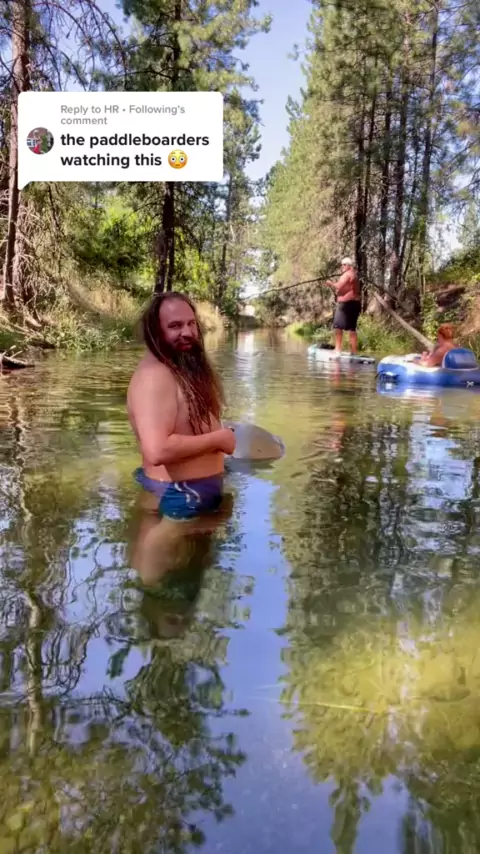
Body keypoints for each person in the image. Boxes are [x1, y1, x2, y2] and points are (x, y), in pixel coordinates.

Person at [127, 291, 236, 520]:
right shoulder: (154, 376)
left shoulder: (176, 366)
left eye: (191, 323)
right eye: (175, 326)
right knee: (159, 544)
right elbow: (157, 450)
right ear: (156, 331)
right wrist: (219, 439)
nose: (187, 332)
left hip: (187, 492)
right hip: (180, 495)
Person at [325, 257, 361, 354]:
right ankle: (353, 351)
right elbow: (347, 289)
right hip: (355, 304)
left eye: (344, 264)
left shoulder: (347, 274)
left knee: (338, 326)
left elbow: (339, 286)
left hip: (345, 305)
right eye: (342, 265)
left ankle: (337, 349)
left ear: (349, 265)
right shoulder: (355, 275)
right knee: (352, 328)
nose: (342, 266)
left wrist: (330, 283)